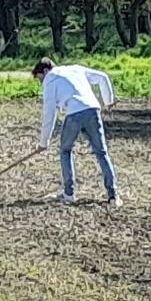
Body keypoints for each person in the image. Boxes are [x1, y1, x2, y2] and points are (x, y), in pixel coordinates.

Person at [35, 58, 120, 206]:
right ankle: (113, 195)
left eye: (39, 78)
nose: (41, 83)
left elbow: (49, 114)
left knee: (65, 151)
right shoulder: (75, 68)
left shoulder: (50, 80)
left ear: (45, 71)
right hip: (93, 110)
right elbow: (103, 77)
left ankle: (69, 193)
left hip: (74, 114)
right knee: (101, 152)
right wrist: (108, 101)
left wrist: (44, 142)